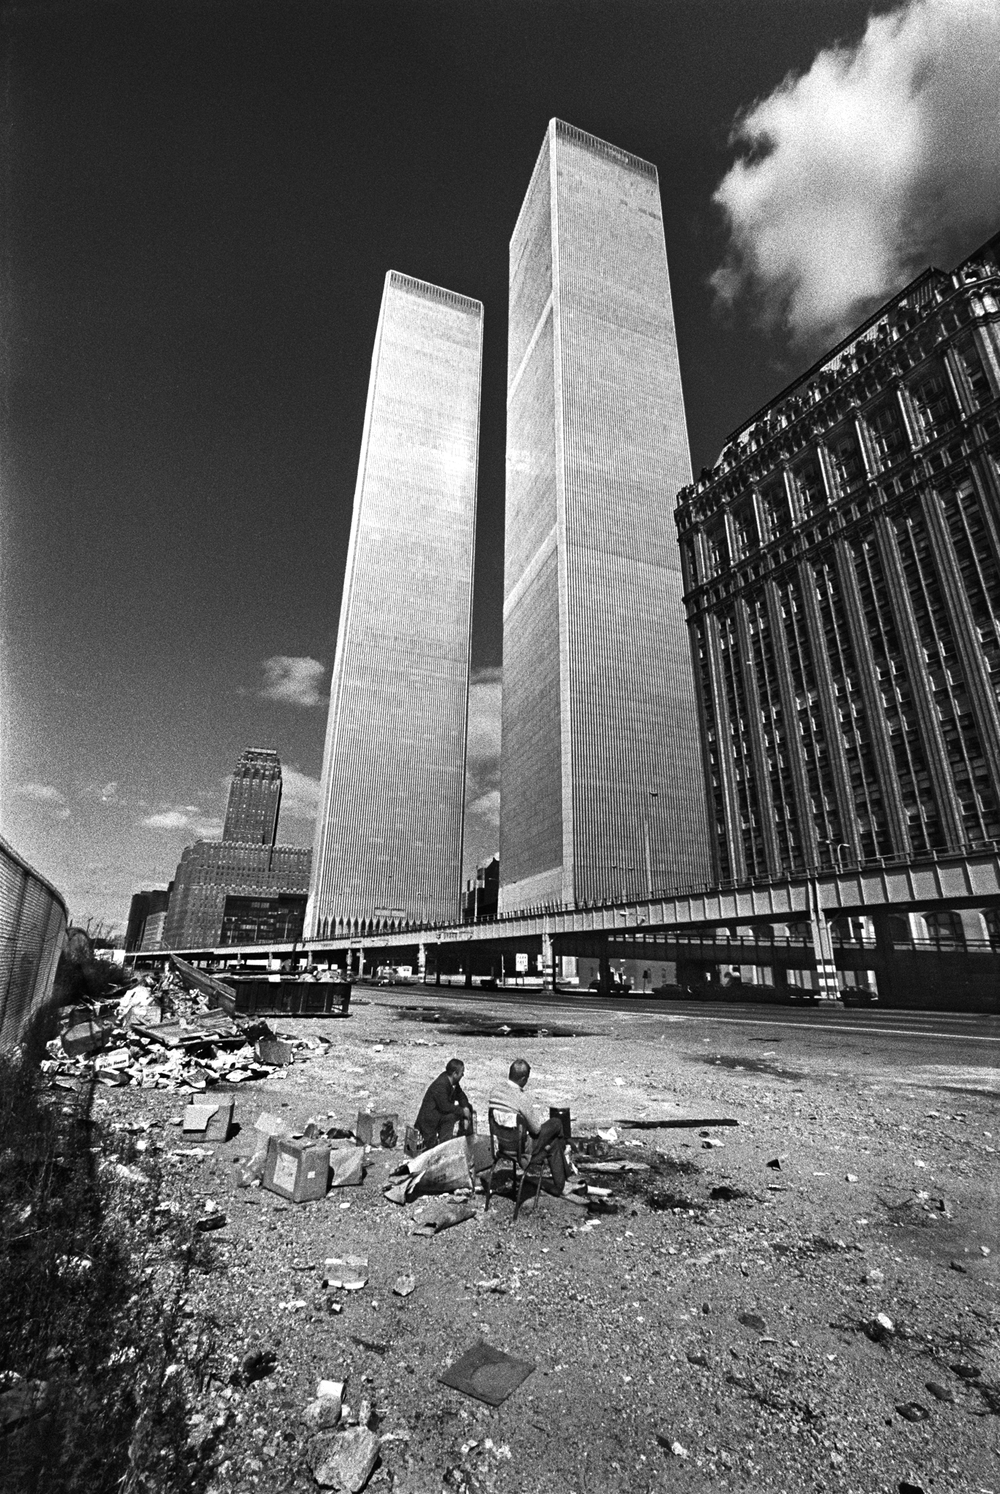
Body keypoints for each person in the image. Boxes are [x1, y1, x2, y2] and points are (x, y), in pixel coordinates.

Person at [488, 1058, 581, 1197]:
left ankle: (564, 1180)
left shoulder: (495, 1091)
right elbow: (536, 1129)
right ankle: (565, 1171)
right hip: (521, 1149)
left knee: (553, 1144)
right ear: (523, 1078)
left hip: (502, 1145)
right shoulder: (521, 1097)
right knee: (556, 1124)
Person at [414, 1058, 473, 1149]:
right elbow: (445, 1107)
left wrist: (466, 1108)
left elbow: (461, 1096)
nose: (463, 1075)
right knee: (451, 1116)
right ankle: (445, 1144)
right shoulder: (441, 1084)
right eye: (462, 1073)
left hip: (438, 1116)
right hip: (429, 1121)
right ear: (455, 1074)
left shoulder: (452, 1081)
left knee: (468, 1107)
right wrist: (463, 1112)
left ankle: (465, 1136)